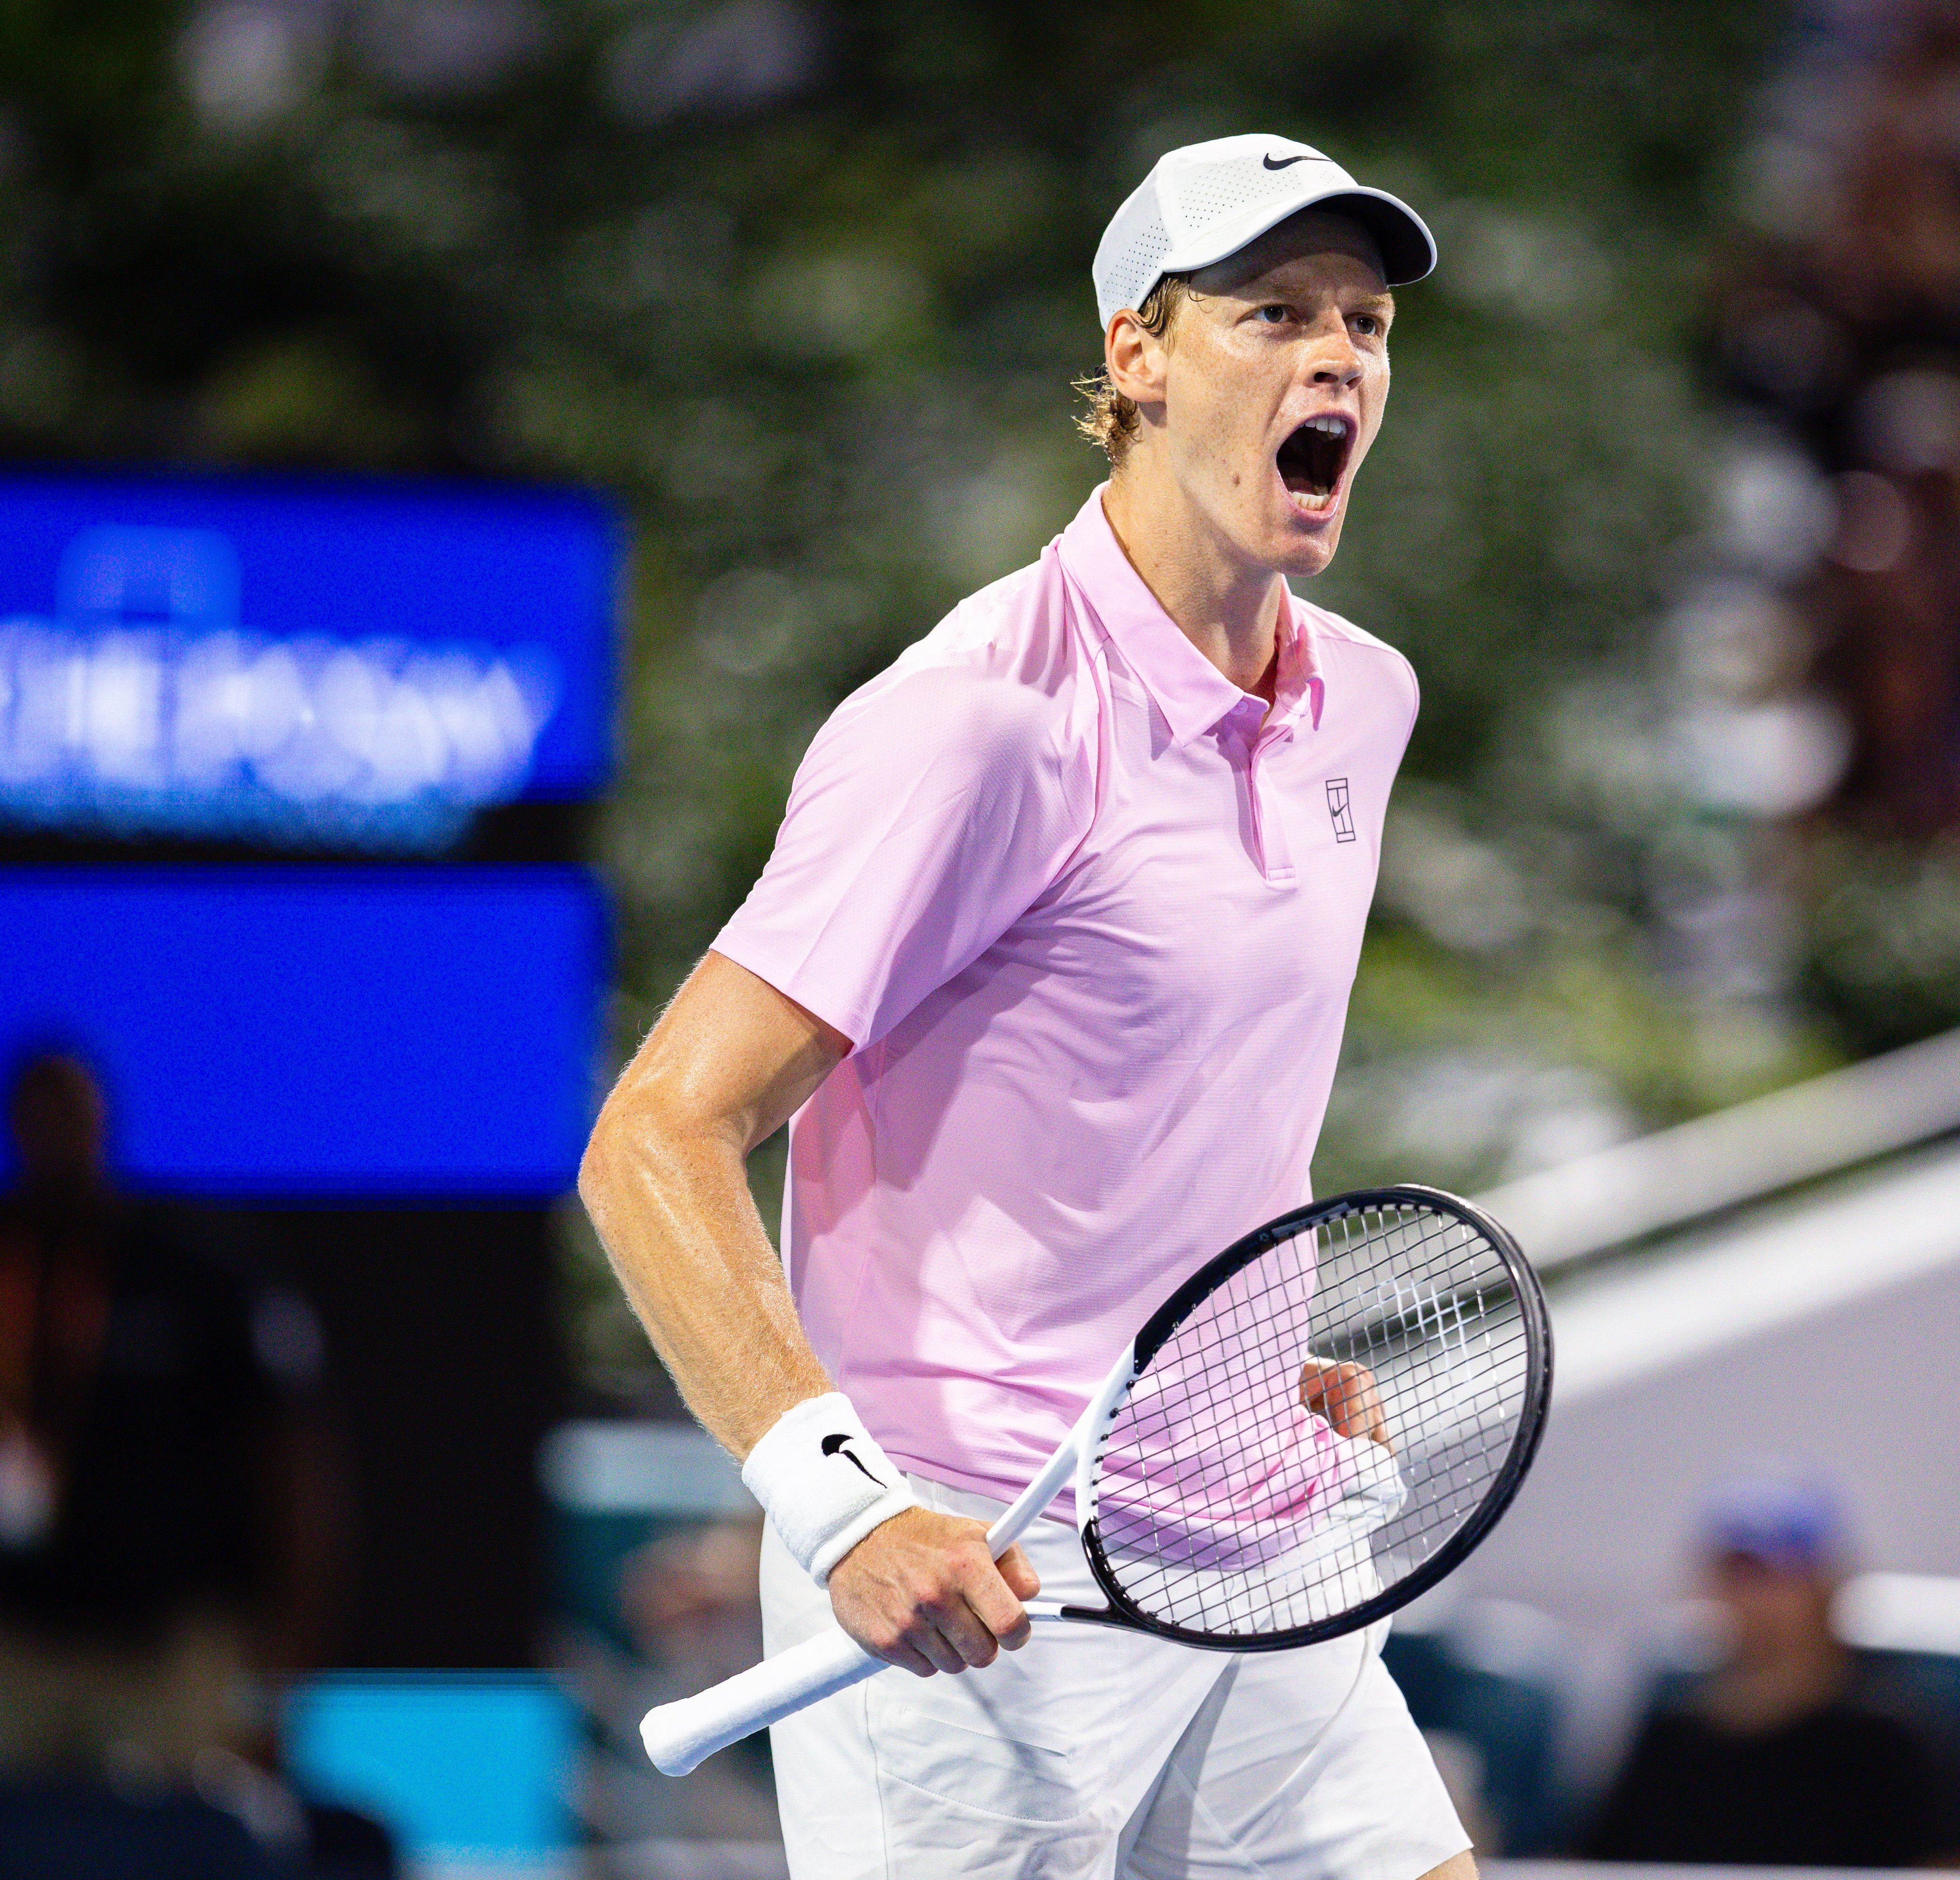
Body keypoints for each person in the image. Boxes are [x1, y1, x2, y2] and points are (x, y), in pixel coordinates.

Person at [578, 135, 1467, 1878]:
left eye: (1361, 320)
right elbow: (654, 1135)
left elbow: (1154, 1098)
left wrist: (1225, 1351)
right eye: (1272, 310)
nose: (1336, 356)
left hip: (1254, 1532)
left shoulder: (1363, 699)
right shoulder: (978, 721)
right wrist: (842, 1506)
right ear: (1136, 353)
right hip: (976, 1566)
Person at [0, 1050, 372, 1863]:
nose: (56, 1137)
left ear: (106, 1123)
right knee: (16, 1851)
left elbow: (295, 1476)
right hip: (14, 1642)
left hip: (171, 1647)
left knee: (179, 1851)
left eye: (73, 1114)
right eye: (37, 1116)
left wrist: (282, 1694)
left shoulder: (201, 1269)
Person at [1585, 1468, 1960, 1867]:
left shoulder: (1889, 1740)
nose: (1753, 1598)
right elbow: (1586, 1864)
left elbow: (1957, 1866)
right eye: (1737, 1575)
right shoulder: (1669, 1739)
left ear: (1826, 1587)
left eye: (1775, 1576)